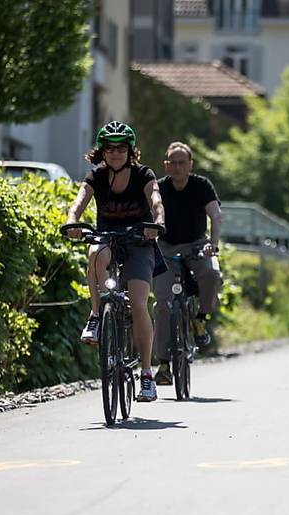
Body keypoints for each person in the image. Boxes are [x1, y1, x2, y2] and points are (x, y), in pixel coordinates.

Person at [65, 121, 165, 402]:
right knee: (96, 251)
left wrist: (157, 222)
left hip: (139, 241)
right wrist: (72, 221)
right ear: (103, 152)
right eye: (110, 148)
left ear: (130, 150)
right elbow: (79, 201)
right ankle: (97, 315)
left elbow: (156, 199)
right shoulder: (96, 176)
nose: (116, 153)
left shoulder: (143, 174)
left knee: (139, 304)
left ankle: (146, 375)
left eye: (122, 148)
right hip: (108, 238)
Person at [153, 141, 223, 386]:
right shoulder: (158, 188)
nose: (177, 167)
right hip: (165, 247)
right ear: (166, 165)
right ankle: (163, 363)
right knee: (162, 303)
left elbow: (215, 214)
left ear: (190, 165)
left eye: (182, 163)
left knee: (212, 274)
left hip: (197, 245)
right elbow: (150, 212)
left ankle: (201, 319)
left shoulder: (201, 185)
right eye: (172, 162)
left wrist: (212, 245)